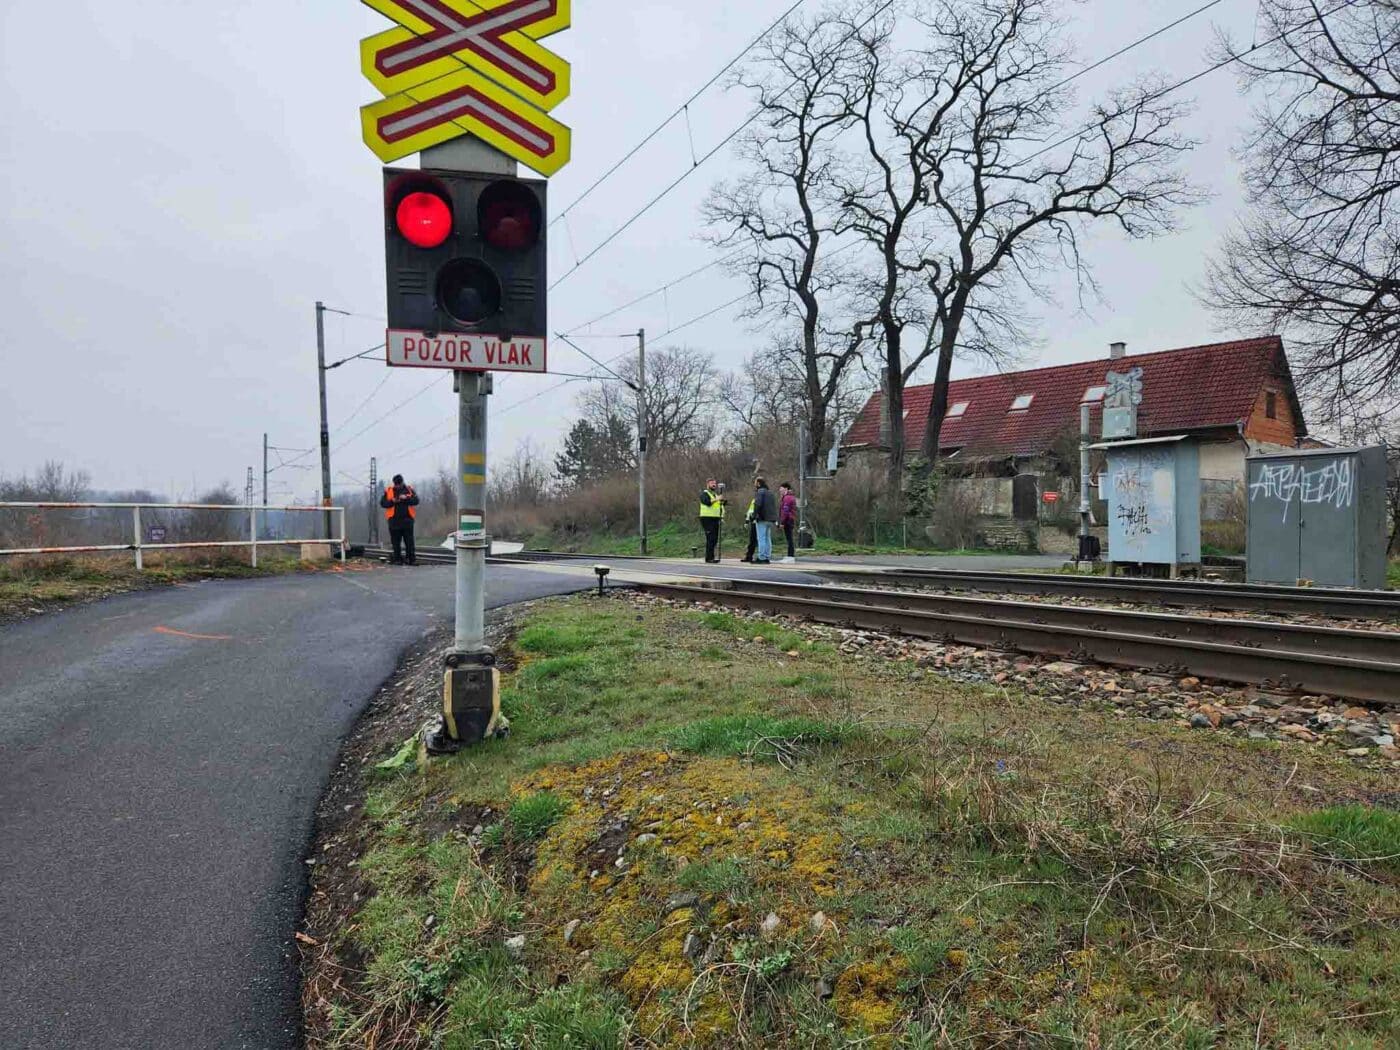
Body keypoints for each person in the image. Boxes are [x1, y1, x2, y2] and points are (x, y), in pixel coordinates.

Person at [380, 474, 420, 565]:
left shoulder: (409, 490)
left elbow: (416, 501)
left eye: (399, 484)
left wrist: (406, 498)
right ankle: (397, 559)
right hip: (394, 521)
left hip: (407, 521)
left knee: (409, 542)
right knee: (395, 542)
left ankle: (411, 559)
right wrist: (392, 501)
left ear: (402, 482)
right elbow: (383, 503)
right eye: (396, 484)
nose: (397, 486)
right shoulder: (389, 491)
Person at [698, 478, 726, 563]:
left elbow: (719, 506)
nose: (714, 485)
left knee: (714, 539)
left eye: (715, 483)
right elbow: (707, 502)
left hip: (715, 518)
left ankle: (712, 557)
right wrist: (717, 499)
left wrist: (722, 502)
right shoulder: (704, 494)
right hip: (707, 518)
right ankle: (709, 558)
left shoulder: (715, 494)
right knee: (710, 538)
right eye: (712, 483)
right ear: (708, 484)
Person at [751, 477, 778, 564]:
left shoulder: (760, 492)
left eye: (755, 483)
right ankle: (767, 556)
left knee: (761, 538)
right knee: (767, 538)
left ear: (758, 483)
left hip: (762, 518)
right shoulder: (770, 493)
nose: (754, 485)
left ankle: (761, 557)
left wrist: (754, 516)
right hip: (771, 519)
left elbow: (758, 504)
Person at [778, 482, 798, 563]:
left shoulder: (787, 498)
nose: (780, 490)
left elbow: (785, 511)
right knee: (789, 538)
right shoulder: (789, 497)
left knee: (789, 538)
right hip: (789, 519)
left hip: (788, 520)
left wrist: (782, 522)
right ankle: (790, 555)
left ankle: (791, 556)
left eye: (781, 488)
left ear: (786, 488)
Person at [741, 492, 758, 563]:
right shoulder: (754, 500)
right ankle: (749, 556)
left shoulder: (758, 500)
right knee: (752, 540)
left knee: (756, 540)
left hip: (758, 522)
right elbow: (750, 511)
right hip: (753, 522)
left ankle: (754, 556)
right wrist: (747, 521)